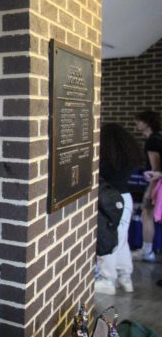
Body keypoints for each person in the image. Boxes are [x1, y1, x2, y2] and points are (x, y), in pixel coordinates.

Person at [94, 123, 142, 295]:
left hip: (109, 199)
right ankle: (125, 276)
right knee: (122, 239)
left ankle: (107, 279)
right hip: (126, 199)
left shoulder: (105, 158)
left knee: (108, 240)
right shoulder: (128, 155)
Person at [135, 110, 162, 262]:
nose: (137, 124)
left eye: (139, 121)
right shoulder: (157, 138)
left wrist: (150, 191)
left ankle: (147, 251)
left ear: (147, 122)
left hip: (157, 185)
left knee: (147, 215)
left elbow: (156, 169)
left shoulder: (152, 141)